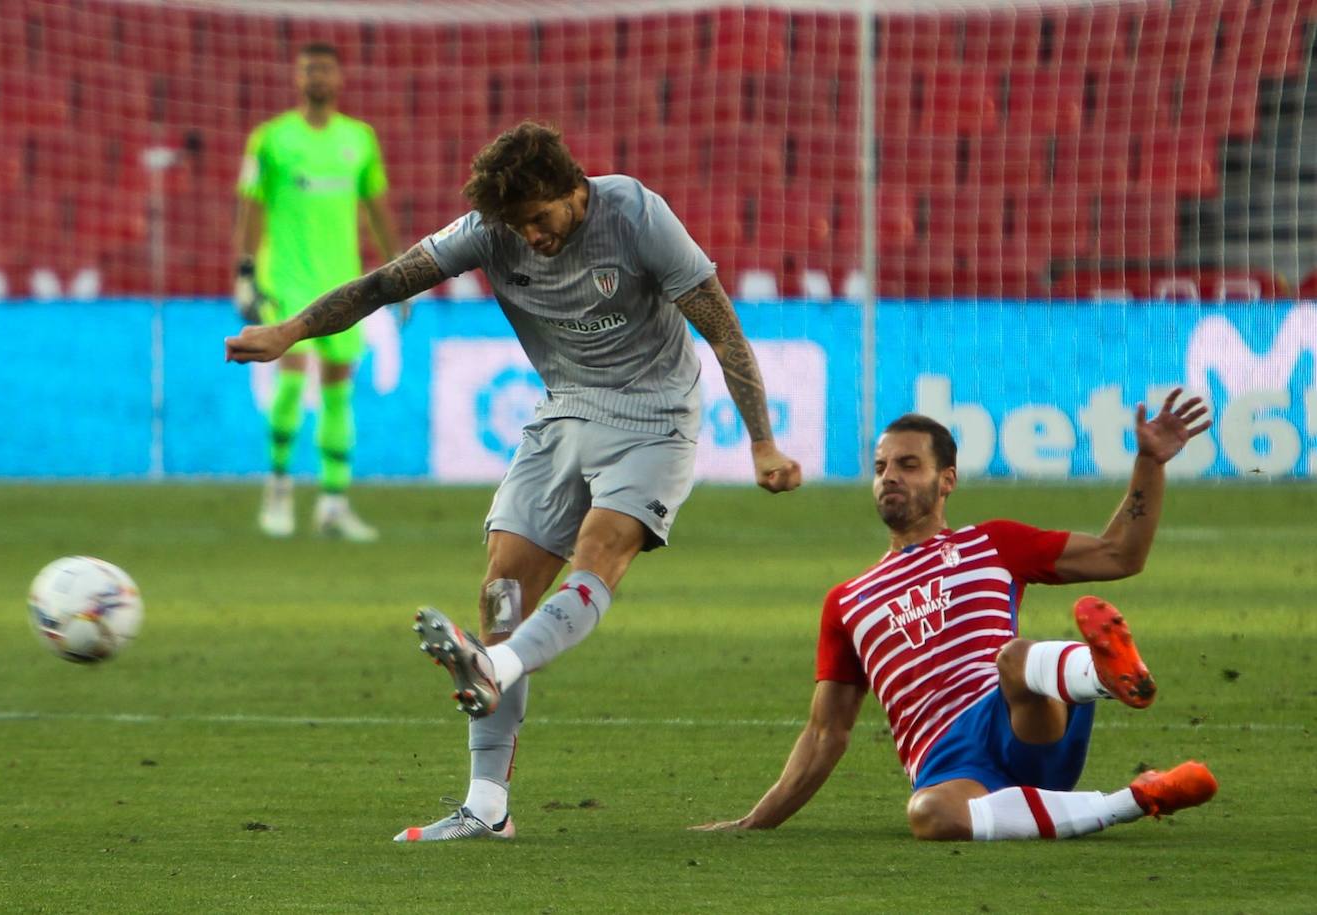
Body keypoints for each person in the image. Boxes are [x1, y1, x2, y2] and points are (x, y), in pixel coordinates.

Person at [226, 121, 803, 842]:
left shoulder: (637, 216)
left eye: (539, 218)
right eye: (517, 225)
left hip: (655, 415)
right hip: (565, 408)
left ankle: (492, 664)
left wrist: (762, 442)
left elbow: (721, 327)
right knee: (502, 588)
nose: (530, 236)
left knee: (600, 550)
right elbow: (385, 282)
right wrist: (289, 332)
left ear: (574, 188)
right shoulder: (490, 231)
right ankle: (487, 807)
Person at [693, 394, 1219, 841]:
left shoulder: (992, 543)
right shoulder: (847, 602)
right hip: (950, 766)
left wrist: (1150, 462)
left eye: (908, 465)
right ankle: (1138, 797)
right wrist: (754, 822)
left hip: (1022, 723)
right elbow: (826, 732)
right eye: (881, 468)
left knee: (1013, 659)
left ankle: (1103, 674)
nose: (890, 477)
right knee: (929, 814)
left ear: (947, 480)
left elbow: (1120, 554)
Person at [232, 41, 401, 542]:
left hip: (343, 281)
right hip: (285, 278)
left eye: (325, 69)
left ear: (339, 77)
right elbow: (250, 206)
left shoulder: (359, 140)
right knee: (290, 378)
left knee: (338, 388)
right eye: (308, 69)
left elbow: (377, 206)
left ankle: (332, 502)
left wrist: (400, 271)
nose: (317, 77)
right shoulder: (271, 139)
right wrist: (245, 272)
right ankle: (279, 487)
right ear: (296, 77)